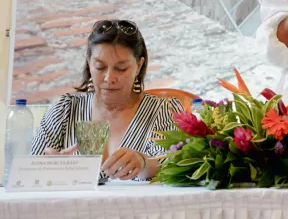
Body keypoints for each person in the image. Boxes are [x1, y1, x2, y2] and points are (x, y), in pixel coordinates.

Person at [31, 20, 184, 181]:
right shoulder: (64, 110)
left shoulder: (164, 110)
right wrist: (48, 167)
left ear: (139, 66)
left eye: (121, 68)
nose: (109, 78)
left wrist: (143, 163)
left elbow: (175, 164)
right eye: (100, 67)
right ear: (89, 62)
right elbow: (29, 172)